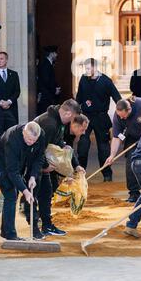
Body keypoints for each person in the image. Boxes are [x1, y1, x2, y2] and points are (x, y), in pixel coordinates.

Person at [30, 99, 85, 238]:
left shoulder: (58, 123)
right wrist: (44, 167)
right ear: (67, 113)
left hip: (43, 163)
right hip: (33, 164)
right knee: (34, 195)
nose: (71, 122)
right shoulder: (50, 123)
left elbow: (59, 143)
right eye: (72, 118)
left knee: (47, 192)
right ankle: (35, 228)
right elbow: (39, 148)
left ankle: (47, 225)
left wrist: (75, 164)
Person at [0, 122, 45, 241]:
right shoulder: (13, 139)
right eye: (29, 139)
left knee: (13, 192)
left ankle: (6, 231)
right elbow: (12, 171)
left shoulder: (41, 136)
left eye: (34, 141)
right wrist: (25, 191)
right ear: (23, 132)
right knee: (10, 194)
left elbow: (39, 157)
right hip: (0, 161)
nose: (31, 143)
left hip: (16, 162)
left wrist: (33, 176)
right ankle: (10, 234)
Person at [76, 58, 121, 182]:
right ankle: (80, 173)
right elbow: (78, 97)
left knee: (103, 148)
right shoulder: (83, 79)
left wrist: (122, 113)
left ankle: (107, 174)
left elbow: (117, 98)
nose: (87, 71)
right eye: (86, 69)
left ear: (96, 68)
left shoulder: (106, 81)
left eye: (89, 69)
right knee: (83, 145)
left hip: (101, 117)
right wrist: (75, 113)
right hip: (85, 117)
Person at [105, 97, 141, 202]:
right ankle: (134, 193)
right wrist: (112, 155)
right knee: (131, 162)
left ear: (129, 109)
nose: (122, 118)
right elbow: (116, 136)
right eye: (120, 116)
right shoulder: (118, 116)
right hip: (132, 137)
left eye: (124, 116)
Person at [0, 52, 21, 139]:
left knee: (12, 134)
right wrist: (0, 102)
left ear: (6, 60)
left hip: (11, 110)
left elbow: (17, 91)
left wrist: (9, 101)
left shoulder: (14, 74)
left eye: (1, 59)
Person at [37, 45, 61, 115]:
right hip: (46, 97)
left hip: (48, 96)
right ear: (51, 54)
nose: (57, 55)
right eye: (55, 53)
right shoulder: (45, 65)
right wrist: (55, 90)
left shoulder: (48, 64)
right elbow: (46, 81)